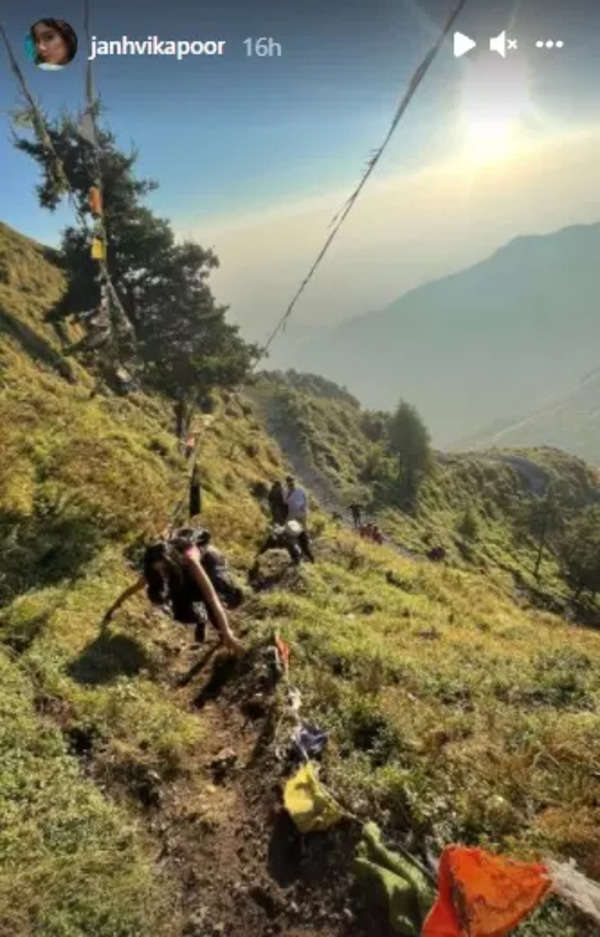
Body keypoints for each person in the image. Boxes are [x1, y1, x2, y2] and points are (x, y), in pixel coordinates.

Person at [102, 530, 243, 654]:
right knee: (182, 604)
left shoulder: (190, 560)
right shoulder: (155, 572)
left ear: (171, 563)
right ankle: (202, 620)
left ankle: (228, 610)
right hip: (184, 579)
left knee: (215, 591)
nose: (161, 573)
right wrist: (113, 608)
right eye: (158, 570)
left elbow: (211, 597)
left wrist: (227, 633)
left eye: (164, 569)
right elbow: (133, 588)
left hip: (209, 564)